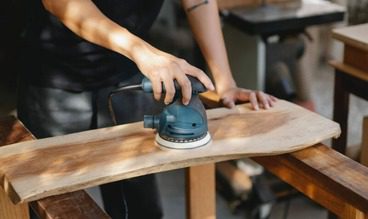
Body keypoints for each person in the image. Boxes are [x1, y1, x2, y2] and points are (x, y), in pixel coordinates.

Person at [17, 0, 276, 218]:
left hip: (127, 73)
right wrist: (142, 51)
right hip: (54, 81)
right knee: (52, 205)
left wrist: (225, 83)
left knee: (142, 208)